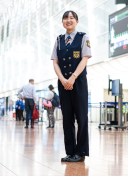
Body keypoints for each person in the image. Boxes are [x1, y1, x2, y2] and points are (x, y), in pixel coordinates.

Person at [51, 11, 92, 162]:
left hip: (79, 82)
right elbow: (55, 62)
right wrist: (63, 79)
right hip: (63, 83)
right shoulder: (59, 39)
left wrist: (73, 77)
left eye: (71, 18)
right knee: (67, 118)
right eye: (65, 18)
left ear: (77, 21)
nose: (68, 20)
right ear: (62, 22)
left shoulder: (83, 37)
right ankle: (70, 152)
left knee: (81, 117)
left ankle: (80, 152)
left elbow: (84, 59)